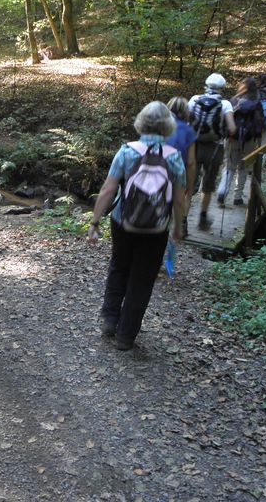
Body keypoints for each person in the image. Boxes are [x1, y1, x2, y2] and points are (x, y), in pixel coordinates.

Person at [87, 101, 185, 351]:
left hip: (123, 222)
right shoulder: (174, 157)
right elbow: (179, 197)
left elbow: (109, 189)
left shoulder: (127, 152)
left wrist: (95, 222)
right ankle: (125, 336)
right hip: (156, 228)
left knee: (119, 267)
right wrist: (177, 227)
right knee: (142, 279)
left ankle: (109, 320)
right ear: (168, 127)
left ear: (141, 122)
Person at [187, 73, 236, 230]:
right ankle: (202, 218)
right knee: (207, 186)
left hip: (193, 146)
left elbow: (187, 121)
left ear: (206, 85)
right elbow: (232, 129)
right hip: (215, 148)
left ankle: (182, 222)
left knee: (189, 185)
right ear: (222, 88)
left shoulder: (194, 99)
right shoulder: (226, 104)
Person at [221, 78, 264, 206]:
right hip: (249, 140)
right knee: (243, 168)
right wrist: (259, 140)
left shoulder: (234, 101)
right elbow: (259, 123)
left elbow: (225, 119)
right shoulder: (257, 103)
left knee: (229, 167)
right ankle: (238, 197)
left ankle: (223, 193)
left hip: (232, 138)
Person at [166, 96, 197, 237]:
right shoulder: (189, 131)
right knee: (182, 196)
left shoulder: (162, 127)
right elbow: (190, 161)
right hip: (180, 169)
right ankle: (181, 224)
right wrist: (190, 185)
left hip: (160, 167)